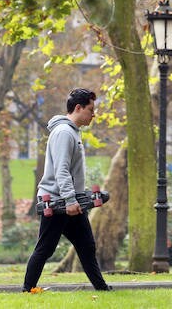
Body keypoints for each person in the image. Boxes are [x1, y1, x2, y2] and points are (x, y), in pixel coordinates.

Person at [23, 88, 112, 292]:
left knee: (87, 246)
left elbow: (70, 171)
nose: (93, 114)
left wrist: (78, 195)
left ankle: (101, 288)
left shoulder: (72, 132)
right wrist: (70, 200)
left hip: (71, 201)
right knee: (45, 248)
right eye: (90, 109)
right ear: (78, 108)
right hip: (58, 202)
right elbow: (61, 169)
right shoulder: (63, 133)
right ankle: (27, 289)